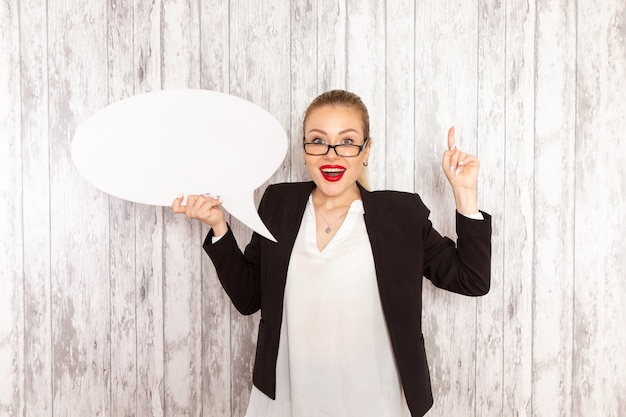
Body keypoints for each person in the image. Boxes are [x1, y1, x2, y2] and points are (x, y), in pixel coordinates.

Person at [172, 89, 491, 417]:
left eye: (348, 141)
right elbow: (249, 297)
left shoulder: (400, 215)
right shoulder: (278, 204)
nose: (331, 154)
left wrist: (464, 192)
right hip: (287, 400)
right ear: (305, 149)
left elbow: (472, 279)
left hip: (374, 402)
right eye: (318, 141)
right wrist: (218, 227)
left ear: (366, 150)